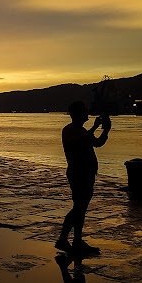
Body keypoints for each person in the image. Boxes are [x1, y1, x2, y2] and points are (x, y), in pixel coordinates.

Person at [55, 101, 110, 255]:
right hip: (78, 174)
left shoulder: (81, 130)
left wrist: (106, 130)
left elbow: (97, 143)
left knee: (81, 208)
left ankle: (77, 240)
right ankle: (63, 239)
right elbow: (78, 142)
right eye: (84, 111)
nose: (87, 113)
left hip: (87, 174)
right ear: (78, 114)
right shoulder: (69, 130)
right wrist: (94, 127)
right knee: (78, 208)